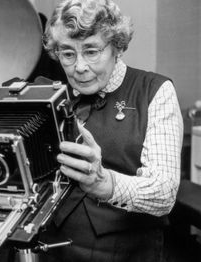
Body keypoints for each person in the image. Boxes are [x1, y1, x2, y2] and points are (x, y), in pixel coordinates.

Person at [39, 0, 184, 261]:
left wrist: (104, 184)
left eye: (92, 51)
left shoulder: (154, 91)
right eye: (68, 54)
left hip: (125, 250)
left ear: (116, 47)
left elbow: (164, 193)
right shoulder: (49, 98)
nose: (79, 67)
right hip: (52, 247)